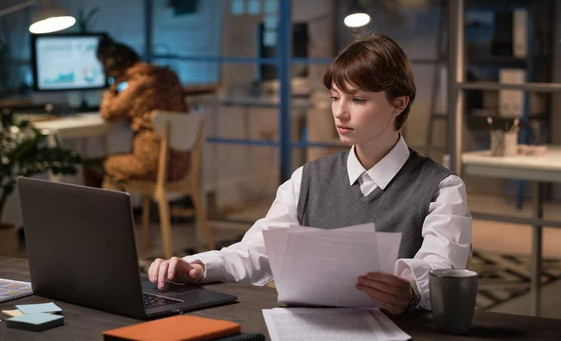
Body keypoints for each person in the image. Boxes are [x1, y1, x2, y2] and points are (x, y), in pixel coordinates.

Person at [148, 34, 472, 314]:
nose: (340, 112)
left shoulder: (441, 189)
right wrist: (199, 267)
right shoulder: (308, 179)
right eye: (335, 97)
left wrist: (411, 289)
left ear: (399, 103)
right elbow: (259, 250)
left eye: (358, 99)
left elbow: (441, 268)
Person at [83, 35, 190, 188]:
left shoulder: (138, 84)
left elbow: (108, 113)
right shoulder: (168, 76)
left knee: (97, 166)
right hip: (181, 163)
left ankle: (103, 212)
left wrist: (113, 88)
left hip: (153, 165)